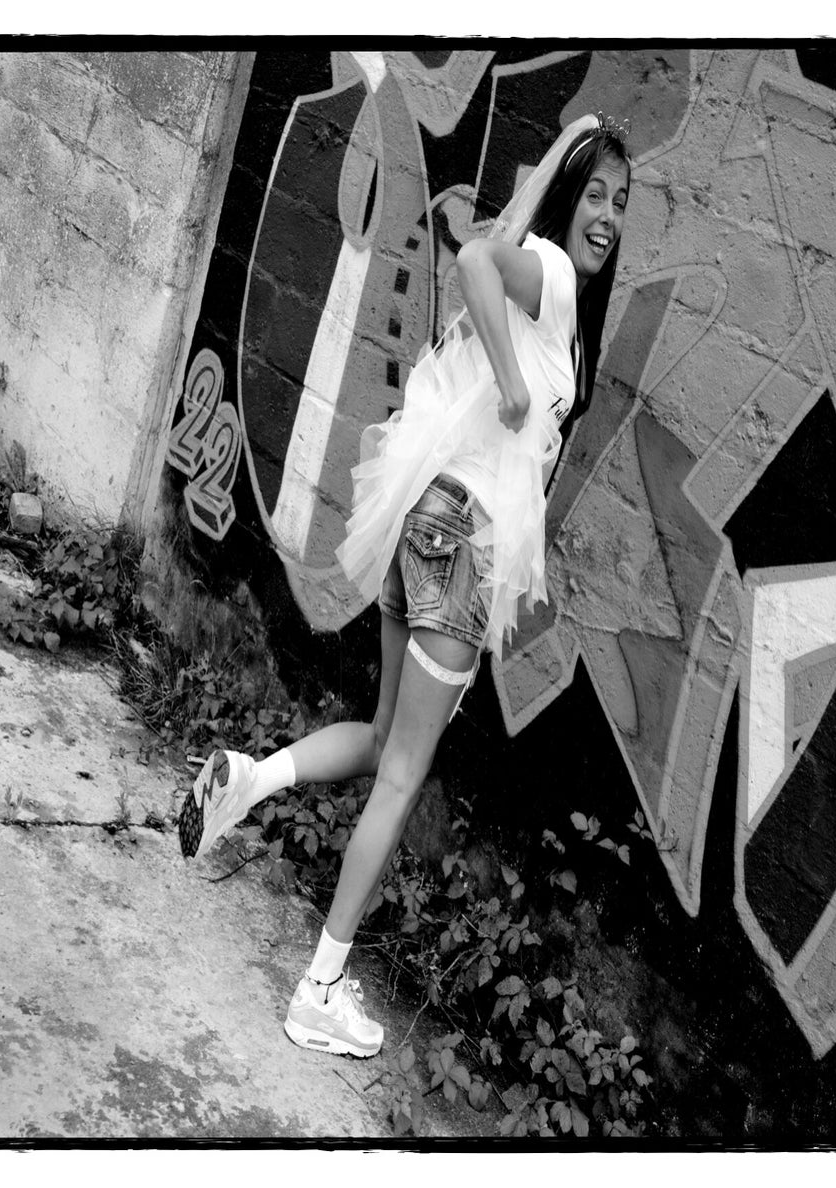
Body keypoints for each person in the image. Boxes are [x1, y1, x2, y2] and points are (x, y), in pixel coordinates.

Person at [178, 113, 632, 1058]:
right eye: (595, 194)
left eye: (620, 203)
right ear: (564, 198)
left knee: (387, 736)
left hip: (426, 525)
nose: (609, 216)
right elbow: (475, 257)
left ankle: (251, 780)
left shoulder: (559, 296)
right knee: (402, 772)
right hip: (461, 539)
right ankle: (320, 988)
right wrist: (516, 386)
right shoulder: (549, 271)